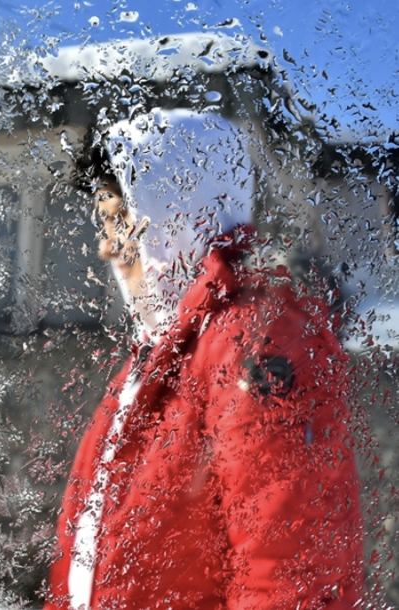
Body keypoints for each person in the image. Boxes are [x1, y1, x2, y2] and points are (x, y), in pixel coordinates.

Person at [45, 109, 364, 610]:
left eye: (120, 221)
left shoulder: (252, 339)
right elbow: (86, 549)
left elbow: (287, 570)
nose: (106, 248)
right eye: (103, 224)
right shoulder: (154, 357)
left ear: (173, 214)